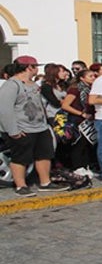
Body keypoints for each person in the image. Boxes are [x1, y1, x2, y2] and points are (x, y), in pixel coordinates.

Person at [0, 56, 70, 196]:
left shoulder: (33, 84)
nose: (37, 69)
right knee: (20, 157)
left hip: (40, 127)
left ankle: (45, 182)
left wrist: (46, 124)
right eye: (35, 66)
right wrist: (13, 130)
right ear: (29, 67)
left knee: (44, 155)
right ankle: (21, 185)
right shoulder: (12, 85)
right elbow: (4, 109)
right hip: (22, 128)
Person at [61, 69, 97, 176]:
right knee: (78, 144)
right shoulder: (75, 90)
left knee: (87, 144)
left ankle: (85, 165)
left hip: (89, 120)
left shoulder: (91, 90)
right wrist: (81, 114)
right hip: (77, 120)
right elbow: (65, 105)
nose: (93, 78)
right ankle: (77, 166)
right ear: (82, 78)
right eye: (90, 76)